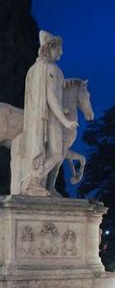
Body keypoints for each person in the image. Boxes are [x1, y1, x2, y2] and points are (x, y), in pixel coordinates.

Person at [16, 30, 77, 196]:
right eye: (59, 49)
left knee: (45, 152)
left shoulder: (34, 69)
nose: (61, 52)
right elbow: (51, 97)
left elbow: (37, 97)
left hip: (36, 118)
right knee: (57, 152)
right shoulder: (51, 69)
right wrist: (64, 120)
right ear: (50, 49)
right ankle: (33, 182)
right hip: (49, 118)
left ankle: (34, 182)